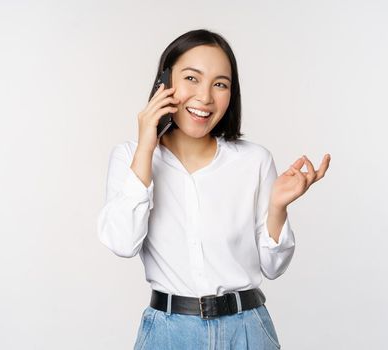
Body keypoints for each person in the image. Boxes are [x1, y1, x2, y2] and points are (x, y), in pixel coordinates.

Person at [96, 29, 331, 349]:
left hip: (247, 330)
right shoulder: (130, 157)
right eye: (192, 78)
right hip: (168, 334)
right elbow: (122, 242)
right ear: (163, 82)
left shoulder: (254, 160)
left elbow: (274, 268)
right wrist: (146, 148)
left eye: (220, 84)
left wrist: (278, 207)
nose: (205, 97)